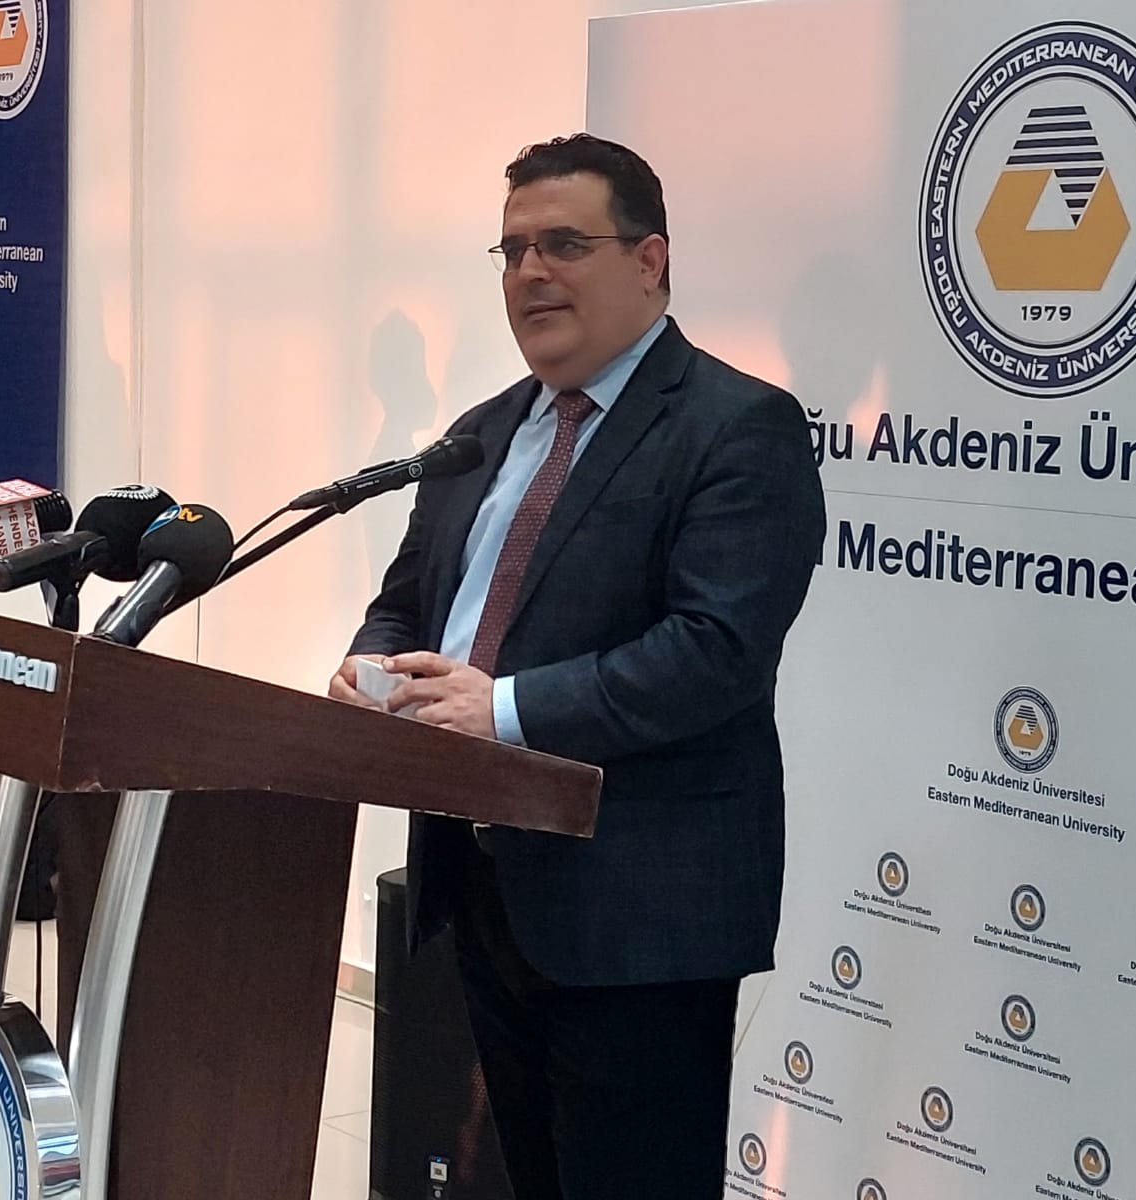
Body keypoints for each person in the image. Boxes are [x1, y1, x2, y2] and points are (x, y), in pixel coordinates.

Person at [329, 133, 824, 1200]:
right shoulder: (480, 434)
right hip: (485, 885)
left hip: (639, 909)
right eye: (511, 251)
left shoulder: (739, 427)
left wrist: (503, 710)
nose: (530, 273)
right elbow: (407, 601)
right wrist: (371, 666)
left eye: (562, 244)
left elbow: (717, 652)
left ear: (649, 261)